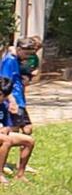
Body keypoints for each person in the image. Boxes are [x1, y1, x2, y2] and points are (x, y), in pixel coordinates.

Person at [1, 38, 36, 177]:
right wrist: (11, 101)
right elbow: (5, 82)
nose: (29, 57)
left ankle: (18, 164)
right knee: (10, 133)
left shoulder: (17, 60)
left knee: (27, 129)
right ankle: (5, 164)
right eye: (27, 54)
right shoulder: (9, 60)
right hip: (14, 100)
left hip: (20, 99)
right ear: (19, 50)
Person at [0, 77, 34, 184]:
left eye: (2, 95)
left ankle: (20, 175)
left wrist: (6, 128)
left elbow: (8, 125)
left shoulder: (3, 105)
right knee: (6, 140)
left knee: (29, 141)